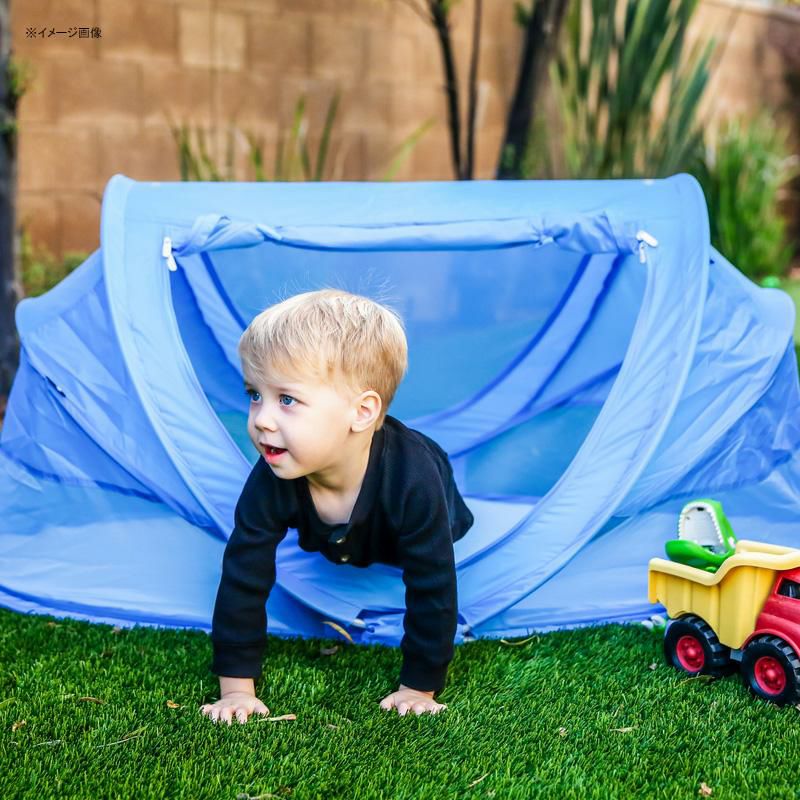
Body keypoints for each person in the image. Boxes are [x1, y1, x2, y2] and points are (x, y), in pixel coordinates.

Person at [199, 288, 474, 725]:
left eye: (286, 399)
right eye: (255, 394)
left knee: (428, 546)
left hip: (416, 505)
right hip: (340, 532)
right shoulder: (274, 470)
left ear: (361, 412)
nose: (262, 419)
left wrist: (418, 688)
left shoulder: (414, 481)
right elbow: (242, 576)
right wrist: (236, 689)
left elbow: (434, 587)